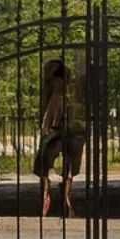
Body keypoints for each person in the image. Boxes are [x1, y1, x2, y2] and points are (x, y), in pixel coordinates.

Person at [32, 58, 87, 217]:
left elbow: (50, 115)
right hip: (70, 130)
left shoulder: (56, 93)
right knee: (68, 166)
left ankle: (48, 193)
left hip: (56, 130)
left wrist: (47, 126)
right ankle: (65, 196)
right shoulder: (71, 91)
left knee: (44, 163)